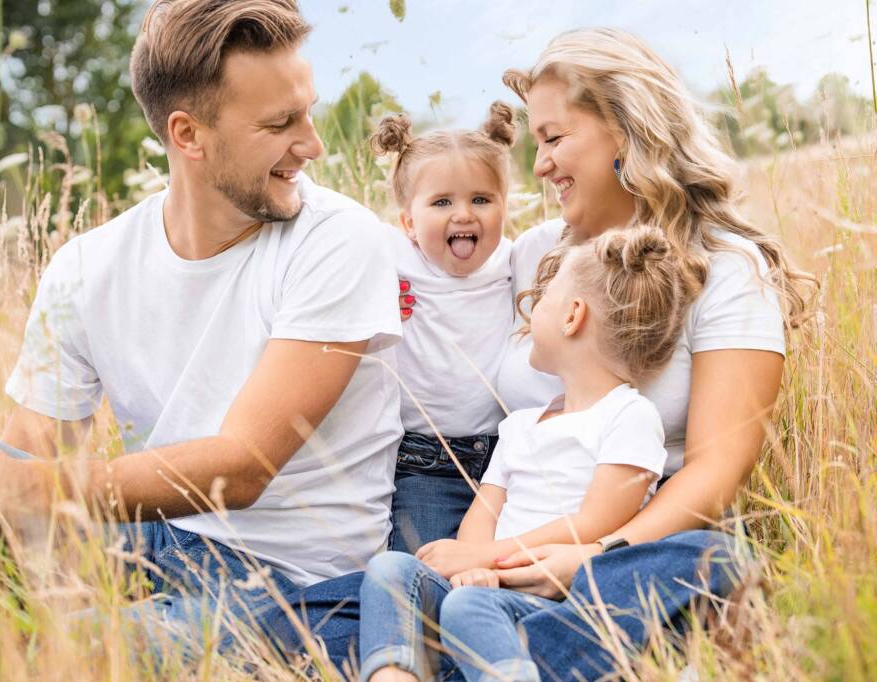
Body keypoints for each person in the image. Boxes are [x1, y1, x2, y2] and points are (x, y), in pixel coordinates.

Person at [265, 27, 814, 680]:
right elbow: (431, 275)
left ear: (626, 130)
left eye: (554, 138)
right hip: (503, 533)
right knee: (366, 587)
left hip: (628, 541)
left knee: (711, 563)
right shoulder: (537, 253)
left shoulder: (725, 269)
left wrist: (585, 557)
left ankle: (464, 651)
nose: (540, 165)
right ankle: (493, 648)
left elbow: (716, 473)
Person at [0, 0, 404, 639]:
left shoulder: (340, 240)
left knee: (78, 651)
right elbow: (33, 449)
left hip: (291, 581)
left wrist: (24, 484)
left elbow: (244, 466)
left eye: (307, 112)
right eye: (281, 122)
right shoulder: (87, 265)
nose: (311, 144)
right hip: (149, 537)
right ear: (188, 135)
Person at [359, 224, 692, 682]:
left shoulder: (629, 415)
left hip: (555, 597)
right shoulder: (520, 426)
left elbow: (596, 523)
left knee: (469, 608)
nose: (527, 306)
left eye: (544, 296)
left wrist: (487, 559)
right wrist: (471, 562)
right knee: (392, 570)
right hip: (488, 584)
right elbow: (486, 507)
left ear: (572, 316)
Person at [368, 103, 516, 554]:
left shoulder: (514, 261)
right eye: (442, 202)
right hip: (425, 463)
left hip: (505, 459)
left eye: (481, 199)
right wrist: (376, 297)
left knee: (501, 566)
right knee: (424, 563)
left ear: (504, 208)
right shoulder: (392, 259)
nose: (464, 215)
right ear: (409, 223)